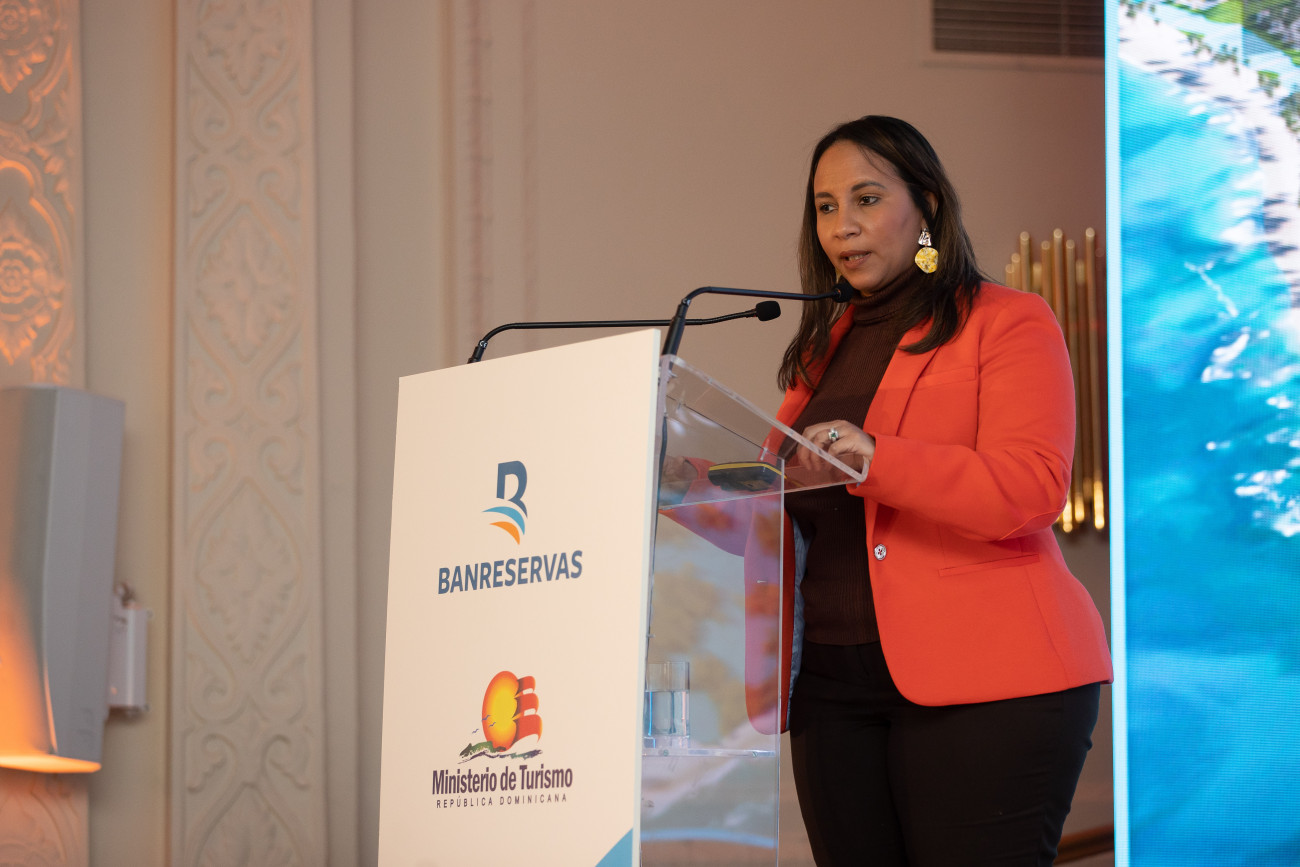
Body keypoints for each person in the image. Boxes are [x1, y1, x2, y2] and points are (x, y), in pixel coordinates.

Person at [773, 116, 1113, 865]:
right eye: (825, 206)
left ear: (925, 204)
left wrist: (878, 458)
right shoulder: (820, 354)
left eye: (866, 199)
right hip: (832, 688)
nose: (842, 225)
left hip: (992, 682)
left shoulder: (1006, 321)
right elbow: (790, 513)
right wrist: (706, 485)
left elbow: (1033, 487)